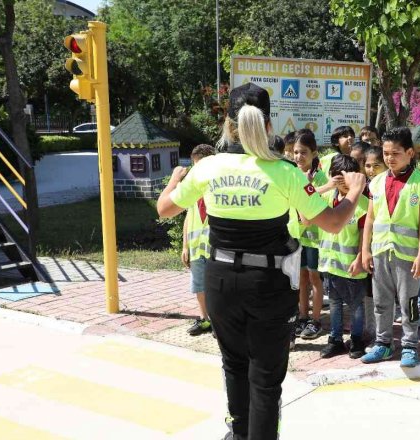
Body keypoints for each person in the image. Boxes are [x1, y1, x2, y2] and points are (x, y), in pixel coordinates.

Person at [156, 83, 366, 440]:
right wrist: (356, 191)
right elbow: (331, 222)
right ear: (269, 126)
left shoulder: (208, 167)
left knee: (234, 366)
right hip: (268, 285)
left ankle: (239, 434)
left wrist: (175, 179)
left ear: (228, 123)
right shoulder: (286, 173)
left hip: (221, 282)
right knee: (266, 380)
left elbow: (164, 209)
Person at [356, 127, 420, 368]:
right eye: (386, 153)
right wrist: (365, 250)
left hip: (407, 255)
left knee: (409, 301)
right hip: (380, 253)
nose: (389, 158)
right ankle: (383, 344)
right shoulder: (377, 183)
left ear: (410, 153)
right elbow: (369, 218)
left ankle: (410, 345)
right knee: (381, 301)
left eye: (395, 153)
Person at [319, 154, 370, 359]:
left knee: (356, 306)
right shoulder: (325, 198)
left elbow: (365, 236)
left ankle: (356, 339)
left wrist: (360, 259)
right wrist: (328, 187)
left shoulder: (363, 204)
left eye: (347, 181)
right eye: (338, 181)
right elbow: (304, 203)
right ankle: (336, 339)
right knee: (334, 303)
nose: (344, 186)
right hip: (330, 265)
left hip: (352, 267)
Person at [292, 132, 329, 340]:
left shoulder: (321, 178)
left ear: (314, 153)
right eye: (295, 152)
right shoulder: (291, 174)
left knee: (315, 277)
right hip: (297, 237)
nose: (298, 157)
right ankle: (303, 316)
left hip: (315, 238)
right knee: (301, 278)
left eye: (303, 152)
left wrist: (310, 185)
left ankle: (316, 320)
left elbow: (317, 206)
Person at [183, 144, 217, 336]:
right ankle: (205, 320)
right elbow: (189, 215)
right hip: (196, 247)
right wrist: (185, 245)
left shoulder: (219, 185)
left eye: (200, 164)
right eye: (194, 165)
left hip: (215, 247)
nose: (197, 169)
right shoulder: (194, 186)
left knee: (217, 286)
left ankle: (219, 321)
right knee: (199, 285)